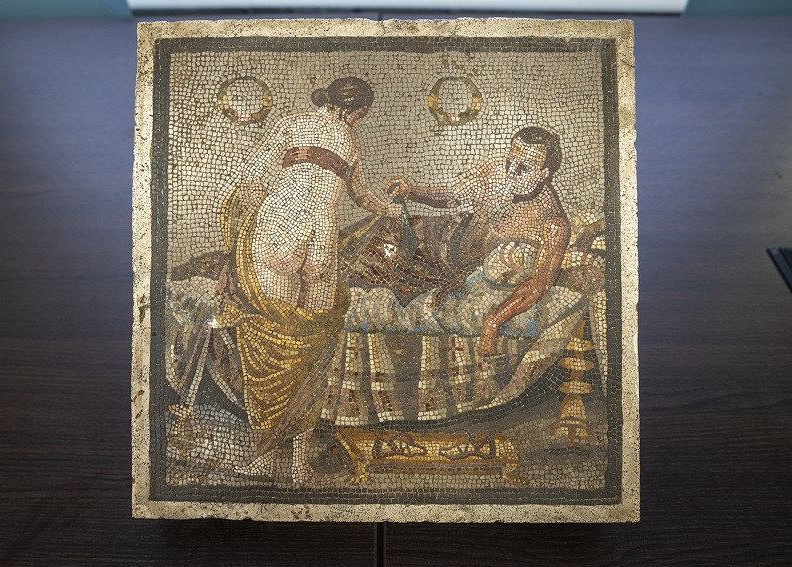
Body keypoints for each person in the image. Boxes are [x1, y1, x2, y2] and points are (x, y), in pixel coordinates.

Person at [217, 77, 401, 483]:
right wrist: (392, 210)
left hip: (280, 227)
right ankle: (298, 465)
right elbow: (362, 195)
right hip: (321, 239)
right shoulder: (351, 140)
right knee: (311, 351)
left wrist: (256, 223)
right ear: (358, 112)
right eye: (363, 114)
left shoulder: (293, 123)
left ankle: (266, 459)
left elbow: (251, 179)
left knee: (273, 342)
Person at [387, 126, 571, 358]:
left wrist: (494, 321)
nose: (511, 171)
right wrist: (412, 192)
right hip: (439, 236)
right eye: (510, 161)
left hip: (460, 272)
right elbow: (453, 197)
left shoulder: (552, 223)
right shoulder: (494, 172)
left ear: (544, 173)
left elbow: (538, 285)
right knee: (379, 233)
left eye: (523, 168)